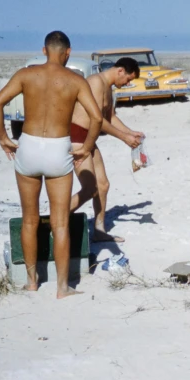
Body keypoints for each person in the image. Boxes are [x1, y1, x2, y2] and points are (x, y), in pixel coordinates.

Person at [0, 31, 103, 299]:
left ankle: (32, 281)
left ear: (44, 50)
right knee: (60, 222)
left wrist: (4, 138)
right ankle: (63, 288)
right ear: (67, 52)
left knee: (29, 219)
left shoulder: (26, 75)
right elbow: (96, 118)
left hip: (27, 146)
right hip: (57, 148)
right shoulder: (75, 80)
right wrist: (86, 148)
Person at [68, 57, 144, 242]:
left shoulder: (108, 87)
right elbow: (98, 121)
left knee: (102, 186)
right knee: (89, 189)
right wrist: (124, 138)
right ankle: (55, 217)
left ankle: (99, 231)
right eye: (128, 79)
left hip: (89, 139)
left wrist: (131, 132)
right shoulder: (95, 82)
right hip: (77, 138)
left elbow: (110, 117)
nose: (127, 84)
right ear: (120, 71)